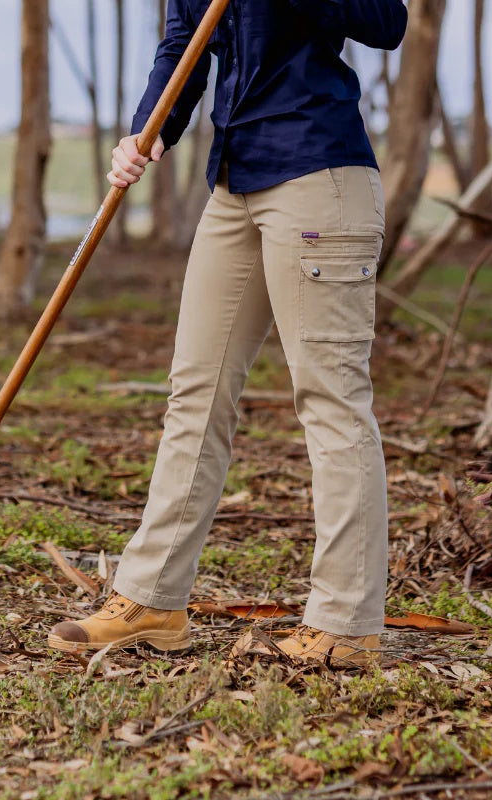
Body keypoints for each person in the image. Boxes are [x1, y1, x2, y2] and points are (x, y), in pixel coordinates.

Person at [48, 0, 408, 669]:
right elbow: (184, 43)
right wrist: (147, 130)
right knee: (196, 392)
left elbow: (386, 23)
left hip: (319, 175)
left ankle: (346, 623)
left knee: (330, 402)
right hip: (235, 177)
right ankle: (153, 598)